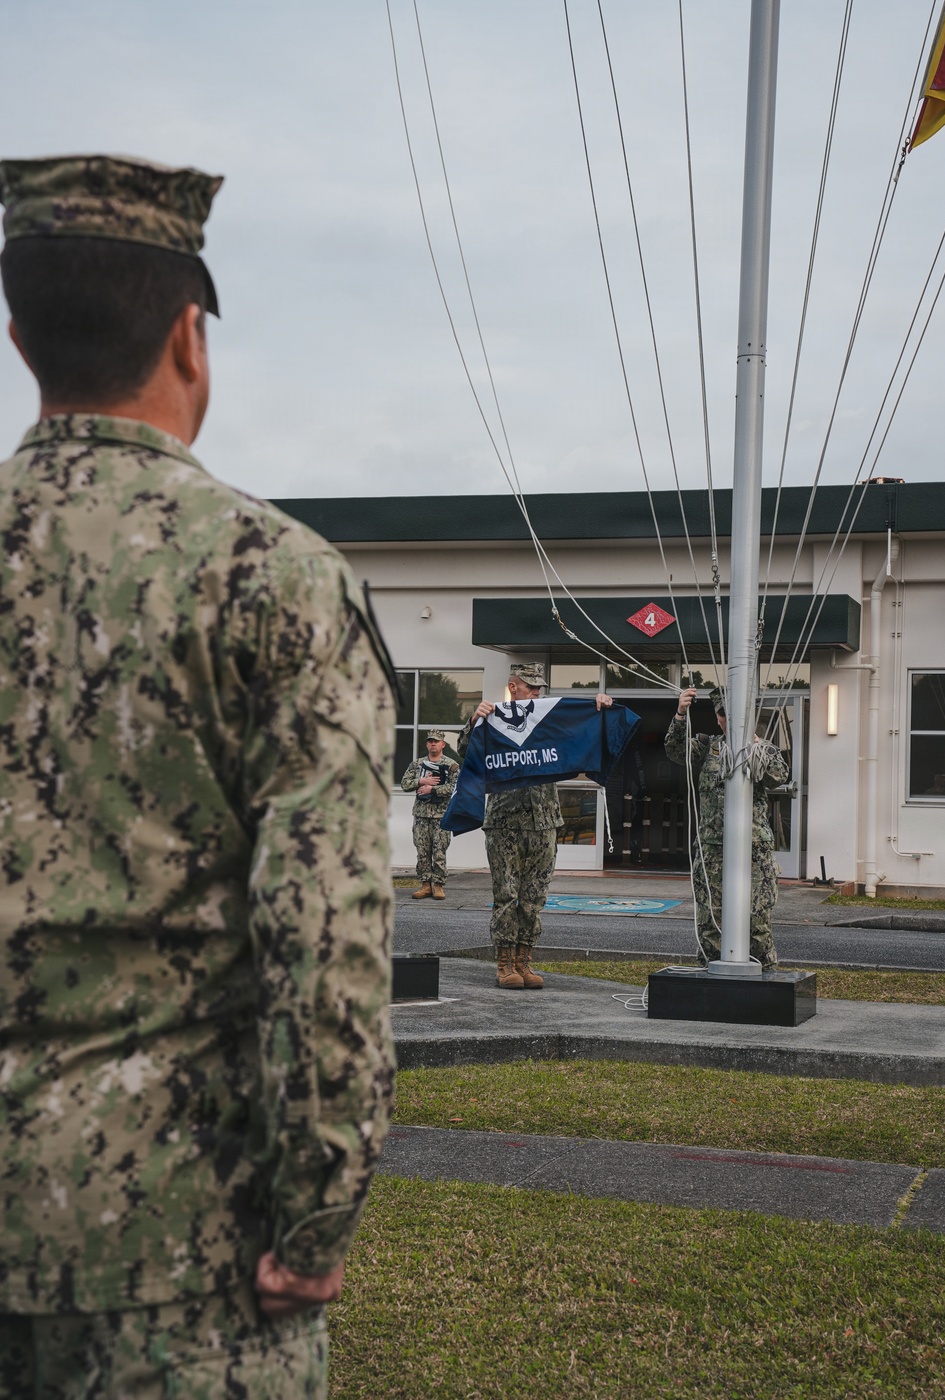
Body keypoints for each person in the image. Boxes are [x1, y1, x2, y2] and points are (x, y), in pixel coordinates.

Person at [0, 155, 396, 1398]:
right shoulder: (273, 579)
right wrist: (318, 1211)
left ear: (20, 338)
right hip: (182, 1249)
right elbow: (323, 929)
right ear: (189, 335)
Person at [460, 663, 612, 989]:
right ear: (512, 686)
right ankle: (504, 965)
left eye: (540, 687)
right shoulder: (493, 719)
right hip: (504, 823)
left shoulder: (547, 719)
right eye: (530, 686)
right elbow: (466, 753)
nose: (537, 692)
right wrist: (475, 722)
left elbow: (577, 734)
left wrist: (595, 708)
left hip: (544, 823)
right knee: (506, 897)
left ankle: (524, 962)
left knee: (534, 899)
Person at [665, 686, 788, 968]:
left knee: (756, 917)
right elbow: (675, 751)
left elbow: (777, 776)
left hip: (752, 847)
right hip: (713, 848)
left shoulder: (763, 748)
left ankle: (762, 975)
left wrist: (756, 747)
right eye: (722, 714)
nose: (726, 720)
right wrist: (681, 714)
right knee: (711, 917)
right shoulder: (709, 747)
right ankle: (711, 973)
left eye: (732, 714)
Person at [399, 729, 459, 899]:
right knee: (422, 851)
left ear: (443, 744)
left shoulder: (451, 765)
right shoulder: (417, 765)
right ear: (427, 744)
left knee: (439, 851)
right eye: (430, 741)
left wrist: (433, 788)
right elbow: (404, 784)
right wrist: (421, 781)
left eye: (437, 741)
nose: (433, 743)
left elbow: (455, 787)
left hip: (441, 816)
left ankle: (438, 885)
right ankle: (425, 885)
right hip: (421, 815)